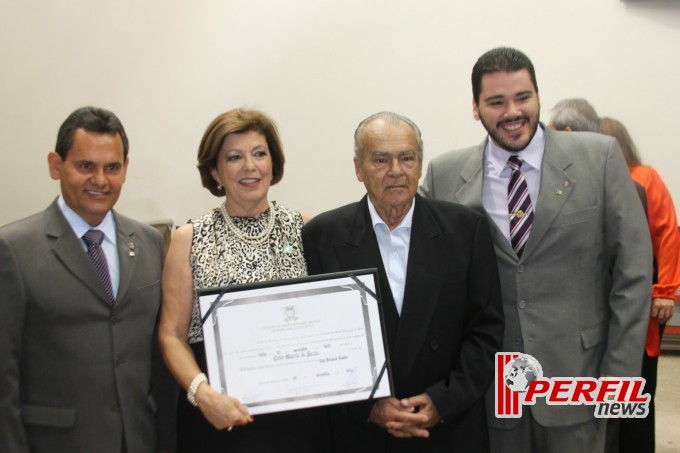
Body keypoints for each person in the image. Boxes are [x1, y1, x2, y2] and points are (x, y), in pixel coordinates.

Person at [420, 47, 652, 453]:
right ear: (475, 108)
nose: (512, 111)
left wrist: (619, 381)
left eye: (522, 97)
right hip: (495, 387)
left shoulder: (599, 159)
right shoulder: (444, 175)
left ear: (538, 96)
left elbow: (633, 273)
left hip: (581, 380)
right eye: (496, 101)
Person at [302, 111, 504, 452]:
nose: (396, 171)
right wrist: (368, 406)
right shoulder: (322, 236)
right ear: (358, 168)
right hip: (362, 432)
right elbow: (315, 341)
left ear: (420, 163)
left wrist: (442, 400)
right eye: (381, 159)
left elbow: (486, 331)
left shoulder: (465, 229)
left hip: (450, 429)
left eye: (406, 158)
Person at [0, 106, 174, 453]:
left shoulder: (151, 243)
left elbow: (159, 359)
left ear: (126, 168)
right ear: (55, 165)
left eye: (112, 167)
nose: (100, 180)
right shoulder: (13, 250)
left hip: (139, 440)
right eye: (85, 166)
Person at [158, 108, 330, 453]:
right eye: (234, 157)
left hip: (299, 420)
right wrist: (202, 396)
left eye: (259, 154)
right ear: (215, 172)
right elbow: (171, 335)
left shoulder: (307, 229)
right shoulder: (189, 238)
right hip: (219, 417)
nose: (250, 166)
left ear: (273, 164)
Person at [601, 116, 680, 453]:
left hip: (642, 302)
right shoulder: (593, 181)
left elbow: (667, 234)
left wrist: (665, 292)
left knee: (637, 384)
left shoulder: (644, 178)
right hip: (602, 304)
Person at [547, 98, 649, 214]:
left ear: (567, 133)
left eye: (551, 133)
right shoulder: (631, 189)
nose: (546, 141)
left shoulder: (558, 191)